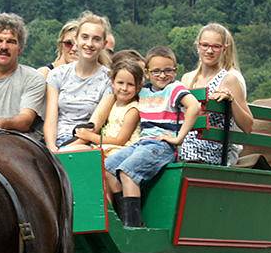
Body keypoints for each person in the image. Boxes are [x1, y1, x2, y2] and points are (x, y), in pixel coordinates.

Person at [104, 46, 201, 227]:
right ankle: (122, 215)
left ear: (175, 70)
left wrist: (179, 137)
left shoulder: (174, 88)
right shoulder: (144, 91)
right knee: (108, 167)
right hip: (142, 144)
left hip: (161, 146)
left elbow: (194, 107)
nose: (162, 75)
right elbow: (125, 82)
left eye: (167, 70)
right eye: (156, 71)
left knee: (127, 172)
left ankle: (133, 224)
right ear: (147, 73)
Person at [179, 23, 253, 165]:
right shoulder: (187, 78)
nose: (209, 51)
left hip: (212, 148)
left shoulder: (229, 79)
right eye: (205, 45)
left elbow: (248, 126)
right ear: (198, 46)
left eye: (216, 46)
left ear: (224, 49)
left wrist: (231, 101)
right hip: (184, 143)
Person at [43, 12, 112, 153]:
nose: (89, 44)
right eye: (85, 37)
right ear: (76, 39)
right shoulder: (57, 74)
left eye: (96, 39)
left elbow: (94, 125)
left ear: (104, 44)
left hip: (84, 144)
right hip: (56, 141)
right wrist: (51, 148)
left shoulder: (109, 79)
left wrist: (64, 151)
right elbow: (51, 118)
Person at [73, 58, 143, 153]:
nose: (124, 88)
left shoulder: (132, 110)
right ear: (113, 83)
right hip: (106, 146)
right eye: (120, 83)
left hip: (120, 150)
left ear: (138, 87)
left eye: (130, 84)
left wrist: (90, 136)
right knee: (73, 150)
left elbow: (120, 141)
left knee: (80, 152)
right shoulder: (113, 103)